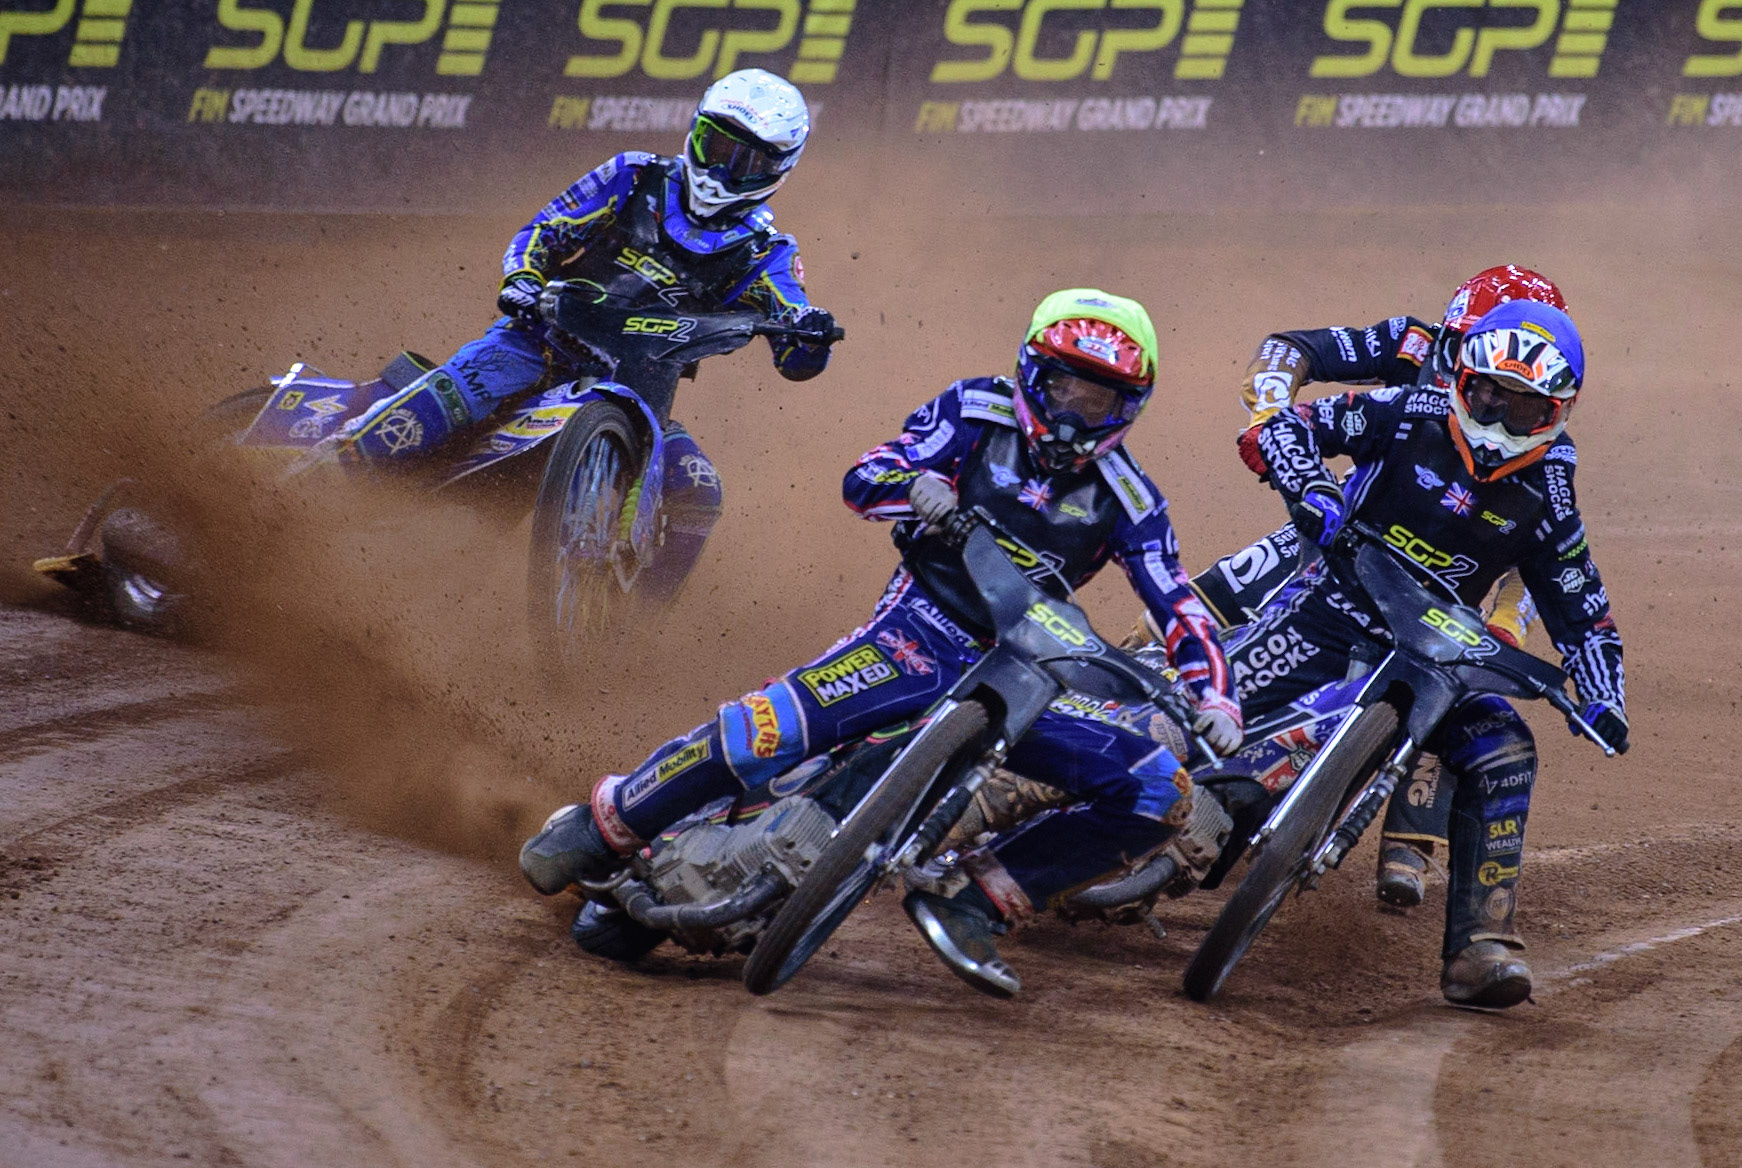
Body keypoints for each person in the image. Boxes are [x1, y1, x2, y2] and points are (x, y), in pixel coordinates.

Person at [519, 288, 1244, 997]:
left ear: (1131, 408)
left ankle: (976, 905)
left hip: (1022, 675)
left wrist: (1217, 695)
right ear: (1032, 374)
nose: (1074, 413)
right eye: (1063, 388)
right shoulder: (973, 410)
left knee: (1155, 787)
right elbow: (864, 476)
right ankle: (609, 822)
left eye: (1100, 400)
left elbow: (1177, 599)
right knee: (775, 726)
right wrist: (916, 488)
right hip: (920, 628)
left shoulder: (1131, 499)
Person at [1224, 298, 1626, 1008]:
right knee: (1199, 696)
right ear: (1462, 378)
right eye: (1489, 396)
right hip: (1331, 607)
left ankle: (1480, 945)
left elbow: (1583, 609)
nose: (1501, 421)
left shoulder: (1552, 492)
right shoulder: (1409, 410)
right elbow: (1292, 425)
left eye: (1526, 410)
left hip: (1437, 654)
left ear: (1559, 413)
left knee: (1506, 750)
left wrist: (1602, 695)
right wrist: (1307, 483)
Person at [316, 68, 841, 599]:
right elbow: (543, 230)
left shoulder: (767, 253)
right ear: (694, 130)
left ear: (776, 169)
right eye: (714, 144)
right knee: (456, 394)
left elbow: (795, 346)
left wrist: (809, 334)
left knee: (698, 494)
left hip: (639, 391)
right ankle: (310, 486)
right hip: (539, 342)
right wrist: (522, 281)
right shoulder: (635, 176)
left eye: (744, 159)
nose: (721, 167)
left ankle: (633, 636)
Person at [1184, 266, 1568, 908]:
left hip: (1444, 593)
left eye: (1521, 390)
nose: (1493, 394)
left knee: (1469, 670)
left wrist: (1505, 629)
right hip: (1338, 535)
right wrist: (1271, 412)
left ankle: (1410, 839)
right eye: (1464, 351)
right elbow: (1291, 347)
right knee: (1196, 604)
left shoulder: (1536, 449)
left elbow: (1532, 567)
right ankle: (1118, 717)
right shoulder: (1413, 344)